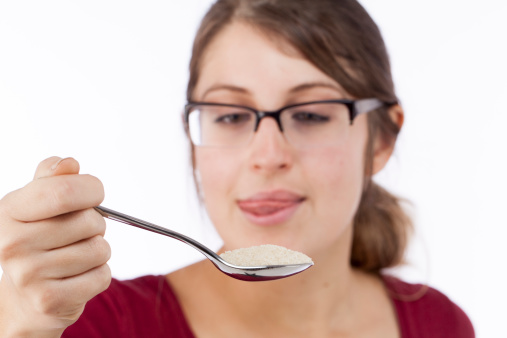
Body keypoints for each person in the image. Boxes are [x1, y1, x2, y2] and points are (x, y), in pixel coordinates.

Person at [0, 0, 474, 337]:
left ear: (383, 139)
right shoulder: (93, 325)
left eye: (310, 114)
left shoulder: (440, 326)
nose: (266, 155)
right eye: (230, 116)